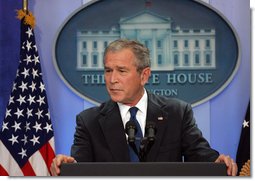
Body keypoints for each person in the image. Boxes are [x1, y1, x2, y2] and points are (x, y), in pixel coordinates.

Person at [50, 39, 237, 176]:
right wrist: (69, 166)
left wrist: (216, 162)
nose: (112, 79)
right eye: (108, 71)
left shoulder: (177, 113)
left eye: (121, 71)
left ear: (144, 76)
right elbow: (81, 167)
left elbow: (200, 154)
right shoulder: (88, 121)